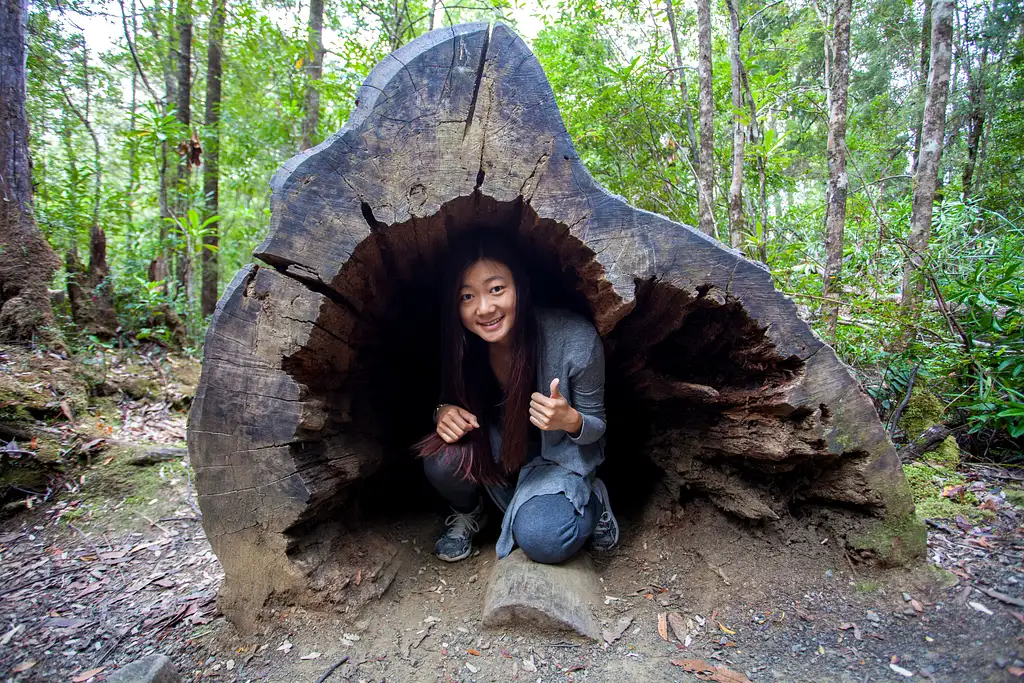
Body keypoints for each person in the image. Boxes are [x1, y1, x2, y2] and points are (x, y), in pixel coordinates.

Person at [415, 233, 619, 564]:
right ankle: (471, 511)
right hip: (500, 451)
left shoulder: (573, 339)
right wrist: (443, 411)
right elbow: (448, 397)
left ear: (520, 287)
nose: (484, 308)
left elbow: (597, 427)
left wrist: (571, 420)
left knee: (543, 539)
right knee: (441, 460)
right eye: (467, 296)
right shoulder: (465, 345)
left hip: (559, 460)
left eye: (497, 289)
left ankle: (592, 500)